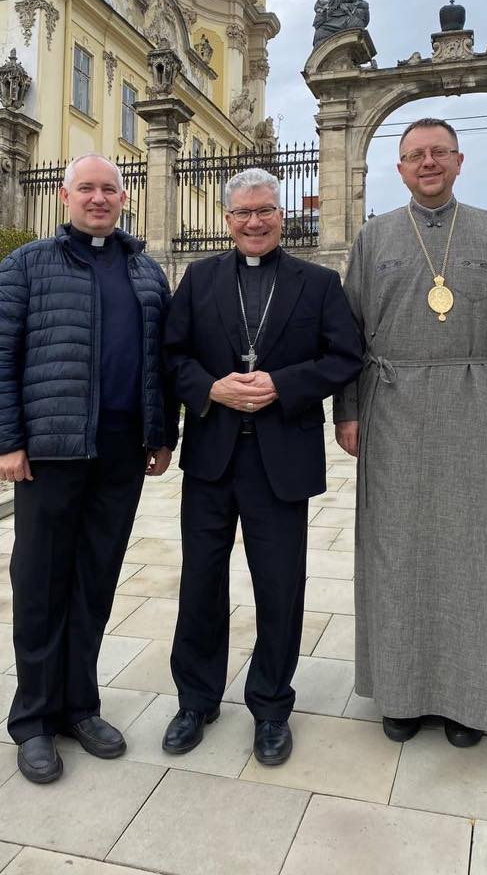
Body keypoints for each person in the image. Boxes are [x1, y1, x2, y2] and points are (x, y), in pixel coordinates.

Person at [334, 118, 487, 748]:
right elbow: (347, 335)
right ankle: (401, 693)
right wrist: (346, 410)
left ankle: (470, 697)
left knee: (475, 554)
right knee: (395, 550)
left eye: (438, 153)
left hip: (475, 405)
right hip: (391, 409)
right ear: (398, 169)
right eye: (413, 156)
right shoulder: (375, 238)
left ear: (459, 162)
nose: (427, 163)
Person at [0, 153, 177, 784]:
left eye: (108, 189)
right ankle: (34, 719)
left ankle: (80, 706)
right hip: (49, 455)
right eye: (86, 188)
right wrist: (5, 442)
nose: (98, 198)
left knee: (94, 584)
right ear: (65, 197)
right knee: (40, 586)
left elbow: (161, 365)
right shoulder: (28, 265)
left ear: (124, 198)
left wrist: (161, 434)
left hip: (118, 455)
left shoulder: (146, 273)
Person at [161, 168, 363, 766]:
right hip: (212, 458)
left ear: (282, 215)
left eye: (265, 210)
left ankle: (271, 705)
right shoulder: (198, 280)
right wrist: (211, 389)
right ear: (226, 220)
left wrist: (283, 383)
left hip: (281, 459)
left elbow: (346, 356)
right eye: (243, 213)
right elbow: (170, 356)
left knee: (280, 588)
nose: (255, 221)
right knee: (200, 581)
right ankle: (196, 699)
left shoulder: (319, 284)